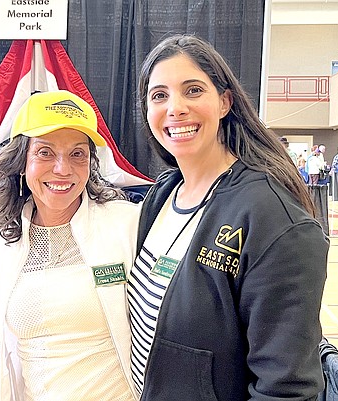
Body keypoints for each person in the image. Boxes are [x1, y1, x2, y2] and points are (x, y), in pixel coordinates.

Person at [131, 34, 328, 401]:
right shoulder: (161, 197)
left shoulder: (272, 217)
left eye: (192, 90)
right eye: (159, 95)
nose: (175, 108)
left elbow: (286, 389)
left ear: (224, 102)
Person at [0, 90, 140, 401]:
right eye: (45, 152)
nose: (62, 169)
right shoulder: (4, 239)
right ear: (20, 161)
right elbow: (8, 357)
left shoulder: (127, 224)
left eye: (77, 154)